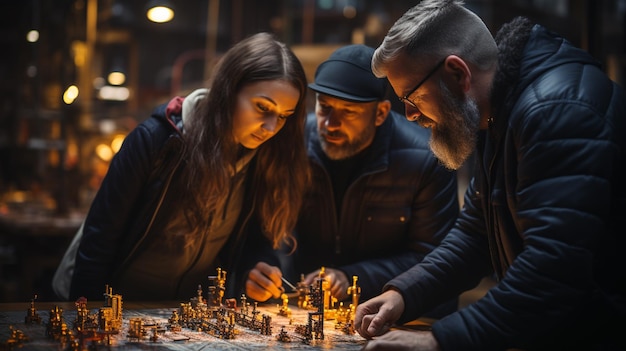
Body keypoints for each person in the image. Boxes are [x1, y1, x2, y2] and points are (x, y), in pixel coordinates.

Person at [353, 1, 626, 350]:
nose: (408, 114)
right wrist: (404, 294)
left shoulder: (557, 110)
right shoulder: (496, 112)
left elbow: (554, 269)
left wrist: (439, 339)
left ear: (457, 73)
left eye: (411, 96)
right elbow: (476, 233)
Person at [53, 32, 310, 301]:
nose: (271, 128)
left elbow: (257, 241)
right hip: (111, 302)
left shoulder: (265, 159)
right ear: (229, 90)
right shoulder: (157, 141)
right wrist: (87, 314)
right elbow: (99, 238)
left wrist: (256, 271)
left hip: (178, 315)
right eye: (262, 107)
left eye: (283, 117)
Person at [244, 44, 459, 315]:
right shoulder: (292, 146)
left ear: (380, 113)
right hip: (305, 311)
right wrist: (266, 266)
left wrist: (351, 278)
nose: (330, 124)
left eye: (348, 112)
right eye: (324, 107)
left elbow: (433, 258)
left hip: (397, 313)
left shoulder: (427, 160)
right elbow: (270, 228)